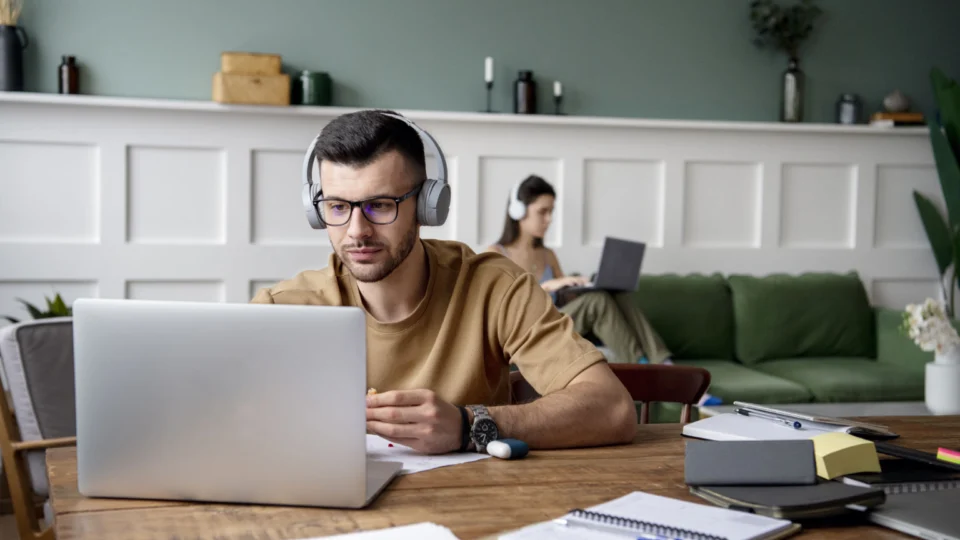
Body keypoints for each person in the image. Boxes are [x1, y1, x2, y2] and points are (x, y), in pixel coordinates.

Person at [250, 109, 637, 456]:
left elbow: (613, 408)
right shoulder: (281, 308)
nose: (356, 232)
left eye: (379, 205)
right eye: (337, 207)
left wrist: (469, 426)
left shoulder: (495, 287)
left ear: (426, 207)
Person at [487, 175, 673, 366]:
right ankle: (644, 367)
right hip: (528, 331)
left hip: (560, 321)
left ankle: (664, 362)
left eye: (551, 212)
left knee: (616, 294)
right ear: (518, 211)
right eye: (542, 212)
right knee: (597, 302)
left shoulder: (547, 254)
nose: (549, 219)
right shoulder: (496, 254)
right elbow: (498, 309)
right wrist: (547, 287)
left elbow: (566, 301)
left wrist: (582, 286)